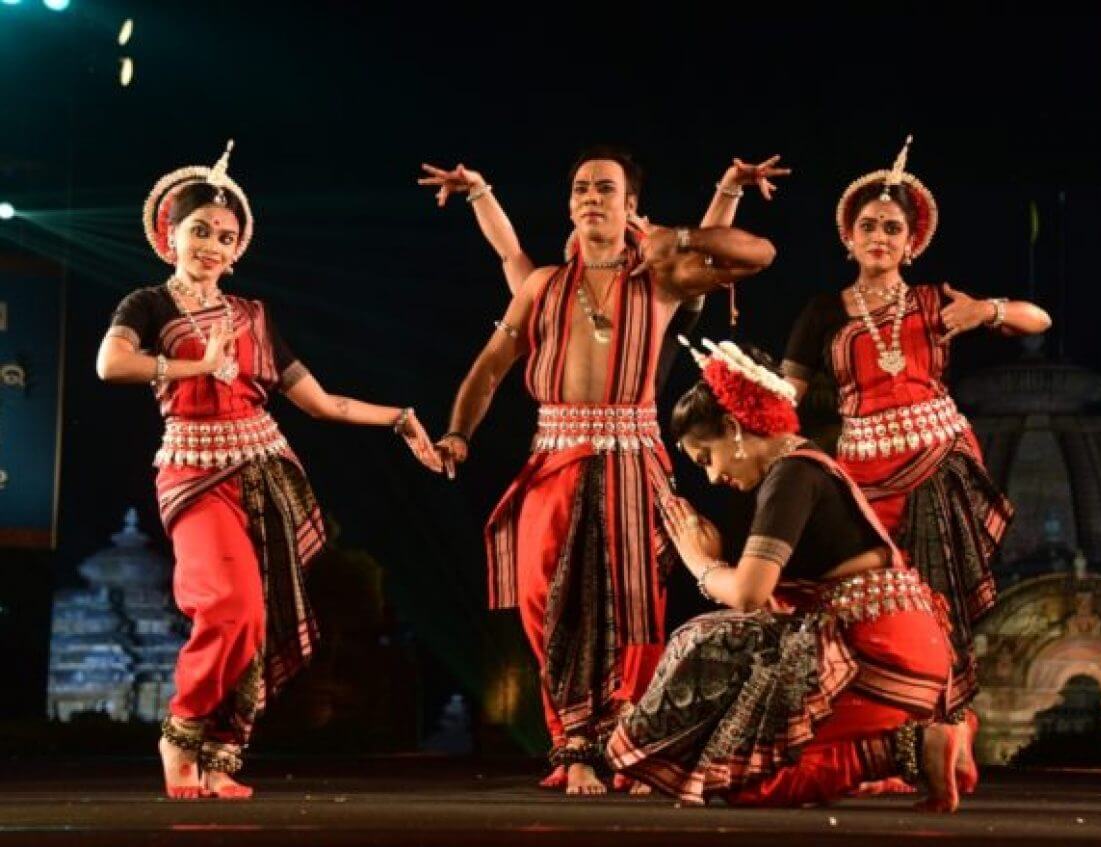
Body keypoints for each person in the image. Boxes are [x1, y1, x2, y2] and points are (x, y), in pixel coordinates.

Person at [419, 147, 776, 795]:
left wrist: (707, 210)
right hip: (554, 457)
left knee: (634, 604)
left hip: (634, 459)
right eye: (581, 187)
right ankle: (574, 746)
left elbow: (756, 256)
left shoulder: (661, 279)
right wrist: (455, 435)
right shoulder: (542, 285)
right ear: (569, 204)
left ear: (630, 207)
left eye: (605, 189)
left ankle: (626, 749)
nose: (591, 197)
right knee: (541, 602)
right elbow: (491, 365)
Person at [96, 141, 441, 799]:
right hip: (194, 475)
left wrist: (399, 417)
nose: (212, 244)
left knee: (252, 618)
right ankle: (181, 731)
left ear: (237, 249)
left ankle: (223, 751)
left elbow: (322, 402)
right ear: (170, 235)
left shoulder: (253, 316)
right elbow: (111, 365)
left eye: (225, 236)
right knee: (224, 606)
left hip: (263, 472)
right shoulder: (148, 305)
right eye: (200, 231)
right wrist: (198, 367)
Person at [781, 137, 1051, 781]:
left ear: (911, 243)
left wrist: (985, 311)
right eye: (868, 226)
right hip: (860, 480)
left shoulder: (937, 303)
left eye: (892, 228)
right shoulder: (823, 312)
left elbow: (1036, 319)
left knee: (932, 609)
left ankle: (937, 745)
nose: (880, 235)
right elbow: (785, 399)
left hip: (935, 466)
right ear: (848, 238)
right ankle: (875, 750)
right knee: (863, 610)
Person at [606, 338, 961, 810]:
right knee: (715, 648)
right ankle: (915, 736)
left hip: (875, 655)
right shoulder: (799, 467)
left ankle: (914, 746)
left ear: (733, 428)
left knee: (748, 783)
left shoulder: (791, 475)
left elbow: (751, 594)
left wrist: (700, 562)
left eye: (706, 459)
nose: (712, 478)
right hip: (888, 646)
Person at [417, 155, 790, 389]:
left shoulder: (662, 286)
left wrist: (727, 191)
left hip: (631, 440)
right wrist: (479, 191)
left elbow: (709, 252)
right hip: (560, 445)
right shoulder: (549, 292)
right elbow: (510, 253)